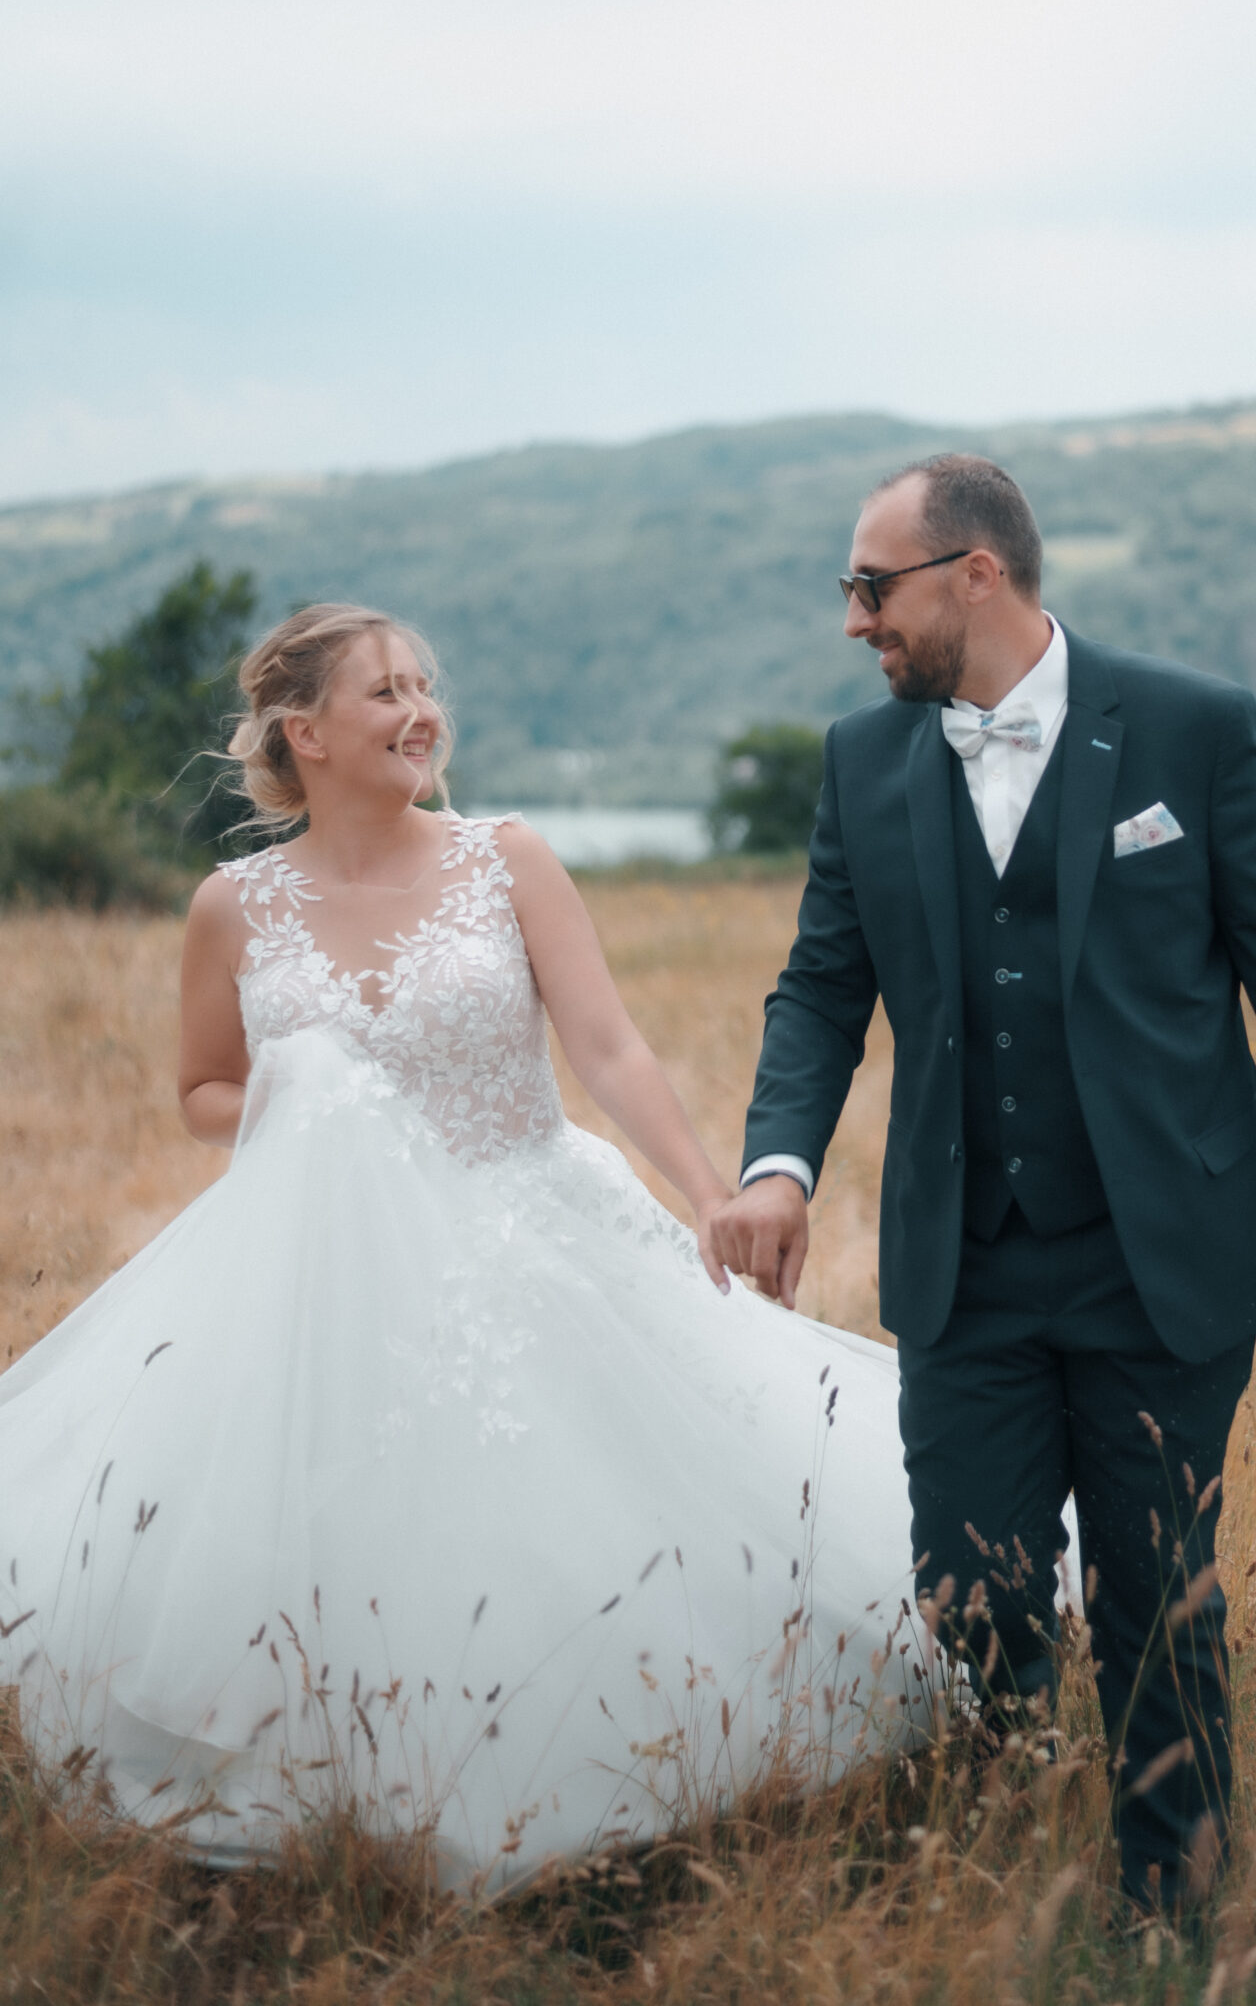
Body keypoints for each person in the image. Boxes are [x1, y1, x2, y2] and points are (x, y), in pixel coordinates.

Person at [0, 604, 931, 1890]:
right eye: (385, 691)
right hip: (328, 1276)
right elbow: (202, 1092)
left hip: (535, 1230)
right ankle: (342, 1793)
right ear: (303, 733)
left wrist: (714, 1189)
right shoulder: (234, 905)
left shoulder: (508, 859)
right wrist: (306, 1093)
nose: (419, 709)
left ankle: (614, 1773)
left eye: (424, 685)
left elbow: (606, 1048)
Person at [710, 455, 1256, 1920]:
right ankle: (995, 1866)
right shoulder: (862, 762)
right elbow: (818, 989)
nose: (852, 620)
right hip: (963, 1262)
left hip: (1163, 1250)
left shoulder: (1190, 729)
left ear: (975, 574)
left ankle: (1172, 1904)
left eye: (870, 586)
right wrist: (776, 1162)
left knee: (1158, 1595)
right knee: (968, 1588)